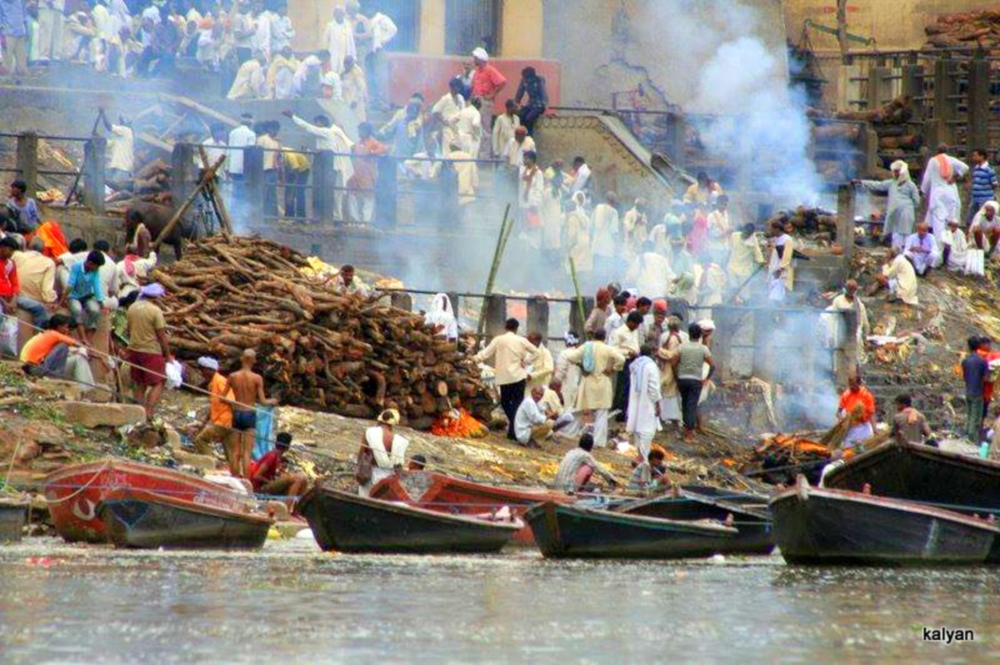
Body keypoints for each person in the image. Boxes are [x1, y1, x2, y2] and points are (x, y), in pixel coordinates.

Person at [475, 318, 538, 440]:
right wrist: (526, 362)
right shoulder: (521, 340)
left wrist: (473, 359)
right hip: (519, 376)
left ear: (506, 327)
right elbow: (536, 352)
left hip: (505, 378)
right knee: (517, 404)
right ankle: (515, 429)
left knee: (505, 402)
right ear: (516, 328)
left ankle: (513, 430)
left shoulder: (499, 340)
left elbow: (485, 354)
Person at [562, 329, 626, 448]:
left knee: (579, 409)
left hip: (588, 381)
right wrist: (613, 369)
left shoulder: (587, 346)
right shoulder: (607, 348)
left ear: (593, 336)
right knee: (602, 413)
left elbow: (570, 357)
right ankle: (598, 442)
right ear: (604, 338)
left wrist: (582, 366)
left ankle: (569, 433)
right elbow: (621, 359)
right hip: (603, 381)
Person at [225, 348, 276, 478]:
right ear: (253, 360)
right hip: (250, 414)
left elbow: (222, 397)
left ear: (242, 358)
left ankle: (235, 478)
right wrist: (273, 401)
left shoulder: (233, 376)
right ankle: (247, 481)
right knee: (247, 452)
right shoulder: (257, 378)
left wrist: (232, 405)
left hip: (236, 413)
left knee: (234, 450)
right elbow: (263, 401)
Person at [125, 283, 171, 420]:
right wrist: (167, 355)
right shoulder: (155, 311)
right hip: (151, 351)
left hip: (134, 348)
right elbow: (161, 335)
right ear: (155, 297)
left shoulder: (132, 307)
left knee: (140, 382)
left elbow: (128, 330)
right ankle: (149, 412)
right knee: (159, 382)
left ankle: (137, 412)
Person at [854, 161, 921, 249]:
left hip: (906, 214)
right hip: (895, 214)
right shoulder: (891, 183)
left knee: (906, 236)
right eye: (895, 171)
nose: (896, 173)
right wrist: (861, 182)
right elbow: (878, 185)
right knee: (896, 236)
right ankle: (896, 256)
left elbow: (917, 201)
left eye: (898, 171)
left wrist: (906, 206)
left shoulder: (911, 185)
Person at [20, 314, 94, 386]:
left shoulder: (46, 335)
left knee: (77, 356)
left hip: (33, 367)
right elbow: (74, 343)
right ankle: (57, 377)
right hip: (34, 368)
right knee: (64, 346)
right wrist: (86, 346)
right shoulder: (54, 334)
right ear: (59, 327)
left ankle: (85, 388)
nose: (67, 330)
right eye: (66, 327)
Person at [672, 323, 714, 441]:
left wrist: (677, 377)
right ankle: (688, 435)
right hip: (696, 380)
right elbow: (712, 365)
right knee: (692, 406)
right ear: (700, 334)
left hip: (682, 379)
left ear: (689, 334)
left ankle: (686, 430)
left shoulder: (681, 347)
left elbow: (673, 364)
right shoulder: (703, 349)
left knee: (685, 404)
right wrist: (706, 379)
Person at [921, 144, 969, 240]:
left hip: (938, 192)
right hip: (951, 191)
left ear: (937, 151)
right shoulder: (951, 159)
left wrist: (923, 191)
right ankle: (951, 242)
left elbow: (927, 178)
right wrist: (956, 177)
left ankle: (940, 245)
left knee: (938, 220)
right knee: (951, 219)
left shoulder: (933, 161)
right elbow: (965, 167)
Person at [356, 408, 408, 495]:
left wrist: (358, 470)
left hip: (369, 476)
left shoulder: (370, 432)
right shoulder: (400, 440)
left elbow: (361, 454)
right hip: (388, 479)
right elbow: (398, 465)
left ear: (380, 420)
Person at [192, 356, 235, 460]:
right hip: (225, 420)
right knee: (230, 450)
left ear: (210, 370)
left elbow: (232, 401)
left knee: (200, 440)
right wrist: (204, 422)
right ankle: (236, 472)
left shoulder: (220, 381)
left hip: (225, 420)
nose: (201, 373)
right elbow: (214, 405)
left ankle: (210, 462)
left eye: (203, 370)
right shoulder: (212, 384)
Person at [346, 122, 388, 223]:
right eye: (359, 130)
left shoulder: (373, 142)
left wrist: (372, 153)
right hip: (356, 173)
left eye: (361, 130)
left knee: (368, 197)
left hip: (368, 174)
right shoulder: (357, 143)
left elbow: (384, 149)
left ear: (367, 131)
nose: (359, 132)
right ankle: (354, 219)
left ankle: (366, 221)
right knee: (352, 194)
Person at [626, 344, 662, 462]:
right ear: (651, 353)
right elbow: (653, 388)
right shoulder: (651, 366)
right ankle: (642, 458)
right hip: (647, 402)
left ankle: (640, 455)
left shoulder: (635, 365)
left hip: (635, 400)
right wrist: (657, 403)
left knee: (637, 428)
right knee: (647, 430)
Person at [60, 250, 107, 341]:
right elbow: (70, 285)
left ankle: (88, 337)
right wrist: (62, 300)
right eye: (96, 266)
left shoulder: (95, 271)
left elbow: (96, 286)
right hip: (73, 296)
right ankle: (82, 337)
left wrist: (101, 302)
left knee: (95, 310)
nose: (96, 268)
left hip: (87, 296)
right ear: (90, 263)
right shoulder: (76, 266)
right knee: (77, 310)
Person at [469, 47, 507, 156]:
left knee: (485, 129)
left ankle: (484, 154)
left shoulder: (490, 70)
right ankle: (476, 153)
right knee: (475, 127)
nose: (474, 60)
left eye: (475, 58)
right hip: (476, 100)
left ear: (480, 58)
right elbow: (473, 86)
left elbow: (502, 82)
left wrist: (492, 94)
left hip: (484, 101)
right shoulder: (476, 71)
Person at [250, 432, 308, 500]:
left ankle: (297, 505)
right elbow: (256, 475)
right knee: (297, 478)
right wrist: (270, 482)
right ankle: (288, 508)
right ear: (287, 447)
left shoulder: (278, 457)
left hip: (267, 486)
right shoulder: (272, 456)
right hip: (259, 489)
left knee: (303, 478)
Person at [11, 237, 54, 328]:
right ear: (43, 250)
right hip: (26, 299)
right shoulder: (49, 262)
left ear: (28, 246)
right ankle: (38, 337)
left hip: (13, 295)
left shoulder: (17, 255)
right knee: (43, 312)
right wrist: (52, 301)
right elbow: (47, 290)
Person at [553, 433, 617, 492]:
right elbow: (599, 468)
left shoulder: (571, 451)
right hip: (567, 490)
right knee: (589, 469)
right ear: (590, 447)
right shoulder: (585, 455)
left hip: (556, 486)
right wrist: (613, 481)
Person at [611, 311, 644, 420]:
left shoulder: (634, 331)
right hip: (625, 361)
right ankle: (620, 414)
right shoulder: (619, 332)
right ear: (630, 322)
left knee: (633, 388)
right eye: (636, 324)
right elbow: (614, 349)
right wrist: (628, 353)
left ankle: (628, 412)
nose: (637, 327)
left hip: (635, 360)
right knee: (624, 388)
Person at [837, 374, 877, 449]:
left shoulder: (866, 395)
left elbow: (871, 413)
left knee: (864, 448)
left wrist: (875, 430)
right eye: (850, 385)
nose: (851, 387)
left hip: (863, 427)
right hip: (850, 427)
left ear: (859, 384)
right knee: (849, 449)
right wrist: (841, 419)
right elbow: (838, 412)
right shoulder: (846, 395)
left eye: (854, 385)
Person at [963, 336, 990, 443]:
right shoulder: (983, 361)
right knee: (976, 418)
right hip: (978, 392)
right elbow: (986, 378)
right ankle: (971, 439)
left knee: (969, 415)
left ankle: (966, 435)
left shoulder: (965, 361)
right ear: (979, 347)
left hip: (968, 390)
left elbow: (965, 376)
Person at [592, 192, 620, 282]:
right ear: (613, 201)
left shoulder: (597, 209)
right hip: (607, 248)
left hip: (596, 245)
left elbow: (591, 226)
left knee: (597, 272)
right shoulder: (613, 212)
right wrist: (617, 245)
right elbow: (614, 230)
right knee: (605, 273)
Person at [566, 191, 593, 285]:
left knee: (573, 267)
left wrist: (568, 245)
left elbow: (571, 235)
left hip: (576, 244)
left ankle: (572, 287)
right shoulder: (584, 215)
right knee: (582, 267)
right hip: (585, 243)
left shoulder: (572, 217)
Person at [553, 332, 583, 417]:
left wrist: (555, 387)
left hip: (565, 386)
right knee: (573, 409)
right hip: (576, 385)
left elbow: (559, 373)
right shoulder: (579, 353)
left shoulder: (564, 354)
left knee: (564, 409)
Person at [431, 77, 466, 150]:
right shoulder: (445, 98)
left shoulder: (461, 98)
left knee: (459, 149)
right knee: (447, 149)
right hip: (448, 129)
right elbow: (435, 111)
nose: (458, 89)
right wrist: (444, 121)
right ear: (451, 87)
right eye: (456, 87)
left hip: (459, 128)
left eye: (459, 87)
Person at [518, 150, 544, 246]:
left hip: (532, 205)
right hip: (523, 204)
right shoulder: (523, 171)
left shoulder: (538, 173)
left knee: (533, 229)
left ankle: (533, 248)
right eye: (524, 158)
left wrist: (535, 203)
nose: (524, 160)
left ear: (532, 160)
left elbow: (539, 190)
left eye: (526, 158)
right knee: (523, 228)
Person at [728, 223, 765, 287]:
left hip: (744, 271)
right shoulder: (735, 236)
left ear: (750, 234)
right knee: (733, 288)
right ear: (742, 230)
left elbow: (758, 253)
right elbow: (730, 247)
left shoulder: (753, 242)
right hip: (732, 267)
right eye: (744, 232)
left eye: (747, 234)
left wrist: (761, 262)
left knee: (744, 292)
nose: (744, 235)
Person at [227, 112, 257, 191]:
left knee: (235, 188)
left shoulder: (232, 132)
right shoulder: (251, 134)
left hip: (233, 166)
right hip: (245, 167)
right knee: (243, 190)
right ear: (251, 122)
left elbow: (228, 150)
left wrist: (227, 167)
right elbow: (250, 152)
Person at [257, 121, 281, 217]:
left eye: (276, 129)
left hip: (273, 170)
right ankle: (262, 215)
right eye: (273, 129)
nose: (274, 131)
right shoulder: (262, 139)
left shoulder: (276, 142)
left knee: (272, 194)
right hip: (264, 170)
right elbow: (258, 154)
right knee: (264, 193)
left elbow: (279, 156)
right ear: (269, 129)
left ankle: (272, 216)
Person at [514, 66, 548, 135]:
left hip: (539, 105)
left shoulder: (539, 80)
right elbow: (520, 92)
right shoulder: (524, 81)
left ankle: (529, 136)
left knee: (529, 118)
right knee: (520, 115)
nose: (526, 80)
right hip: (530, 104)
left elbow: (543, 94)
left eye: (527, 78)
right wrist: (515, 103)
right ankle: (522, 135)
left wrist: (543, 105)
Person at [767, 221, 795, 303]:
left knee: (778, 295)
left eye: (771, 229)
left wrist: (780, 268)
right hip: (773, 268)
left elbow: (787, 256)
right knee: (772, 293)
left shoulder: (787, 239)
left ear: (776, 229)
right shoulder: (775, 239)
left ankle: (779, 313)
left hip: (780, 272)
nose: (770, 231)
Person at [323, 4, 355, 75]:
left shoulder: (347, 25)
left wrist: (352, 55)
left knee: (345, 75)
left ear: (343, 14)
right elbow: (325, 42)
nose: (339, 15)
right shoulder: (330, 26)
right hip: (333, 55)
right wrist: (325, 57)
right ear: (334, 15)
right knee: (333, 73)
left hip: (345, 55)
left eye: (340, 13)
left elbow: (351, 42)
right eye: (337, 13)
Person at [102, 113, 134, 182]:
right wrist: (99, 137)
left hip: (122, 168)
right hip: (115, 166)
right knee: (103, 180)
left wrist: (103, 114)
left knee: (114, 187)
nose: (120, 122)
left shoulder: (126, 130)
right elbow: (108, 143)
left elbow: (109, 127)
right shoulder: (119, 136)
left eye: (121, 120)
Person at [968, 148, 998, 223]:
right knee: (971, 218)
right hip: (975, 197)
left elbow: (994, 184)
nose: (973, 158)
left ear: (982, 156)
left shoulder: (989, 170)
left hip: (985, 198)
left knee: (983, 219)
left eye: (975, 156)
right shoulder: (976, 168)